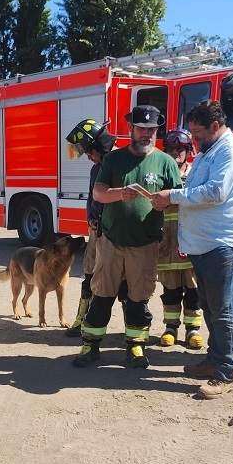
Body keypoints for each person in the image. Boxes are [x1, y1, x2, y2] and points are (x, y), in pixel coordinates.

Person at [150, 100, 233, 399]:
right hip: (205, 245)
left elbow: (215, 193)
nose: (193, 139)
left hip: (225, 244)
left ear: (215, 127)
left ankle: (225, 373)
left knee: (225, 311)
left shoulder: (230, 151)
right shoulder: (211, 152)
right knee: (211, 309)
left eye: (197, 132)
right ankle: (214, 360)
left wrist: (173, 195)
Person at [72, 105, 182, 368]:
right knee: (102, 295)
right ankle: (90, 345)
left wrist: (166, 202)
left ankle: (135, 347)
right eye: (141, 129)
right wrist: (119, 193)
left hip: (145, 244)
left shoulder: (166, 162)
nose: (146, 134)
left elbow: (178, 199)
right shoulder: (113, 160)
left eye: (151, 130)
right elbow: (98, 193)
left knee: (138, 298)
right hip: (111, 242)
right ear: (131, 129)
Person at [63, 118, 117, 337]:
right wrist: (90, 219)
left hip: (116, 234)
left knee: (119, 282)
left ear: (98, 146)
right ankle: (81, 319)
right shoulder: (97, 167)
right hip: (97, 231)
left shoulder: (121, 161)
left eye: (89, 152)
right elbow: (91, 198)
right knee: (89, 275)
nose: (88, 157)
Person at [157, 128, 203, 350]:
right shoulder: (158, 174)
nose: (175, 152)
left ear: (187, 151)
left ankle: (193, 329)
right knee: (170, 289)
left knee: (193, 289)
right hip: (165, 242)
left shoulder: (196, 174)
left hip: (191, 240)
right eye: (171, 148)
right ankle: (170, 328)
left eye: (180, 149)